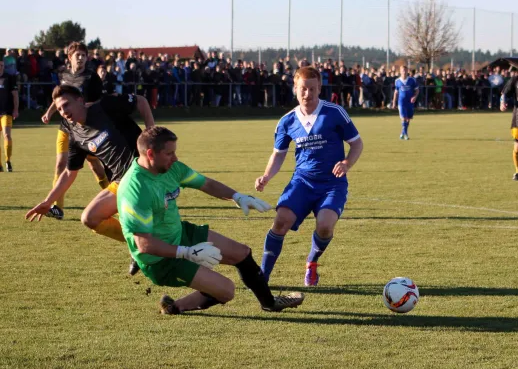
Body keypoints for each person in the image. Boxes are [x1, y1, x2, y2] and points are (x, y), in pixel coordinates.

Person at [117, 126, 305, 314]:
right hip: (160, 260)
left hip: (181, 233)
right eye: (169, 153)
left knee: (242, 253)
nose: (175, 158)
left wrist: (238, 197)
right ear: (150, 154)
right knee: (227, 291)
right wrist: (187, 252)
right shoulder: (136, 190)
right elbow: (144, 245)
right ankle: (176, 307)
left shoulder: (172, 169)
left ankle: (270, 303)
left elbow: (206, 183)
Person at [255, 66, 364, 286]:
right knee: (281, 221)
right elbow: (278, 154)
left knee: (324, 226)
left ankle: (312, 263)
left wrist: (346, 163)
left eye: (312, 89)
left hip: (332, 184)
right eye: (303, 89)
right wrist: (266, 176)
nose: (308, 94)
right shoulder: (287, 121)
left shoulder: (334, 112)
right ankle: (262, 276)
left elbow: (357, 144)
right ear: (295, 88)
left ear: (319, 88)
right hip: (302, 182)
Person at [26, 85, 155, 249]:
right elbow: (69, 173)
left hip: (143, 171)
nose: (63, 111)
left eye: (66, 104)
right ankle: (138, 243)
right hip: (120, 182)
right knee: (90, 217)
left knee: (147, 222)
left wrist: (151, 133)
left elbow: (141, 101)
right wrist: (48, 201)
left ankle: (153, 244)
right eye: (59, 109)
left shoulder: (105, 106)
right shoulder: (76, 137)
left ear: (80, 100)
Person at [41, 42, 107, 218]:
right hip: (65, 127)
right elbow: (58, 99)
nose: (81, 58)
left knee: (96, 167)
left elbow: (100, 102)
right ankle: (58, 208)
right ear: (69, 58)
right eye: (77, 55)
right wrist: (49, 112)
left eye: (84, 55)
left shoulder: (92, 78)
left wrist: (84, 107)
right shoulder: (63, 74)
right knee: (60, 165)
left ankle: (117, 197)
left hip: (85, 129)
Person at [0, 59, 19, 172]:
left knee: (6, 135)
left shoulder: (9, 78)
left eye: (2, 65)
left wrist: (15, 109)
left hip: (6, 112)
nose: (1, 67)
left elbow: (15, 95)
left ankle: (8, 161)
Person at [392, 65, 419, 140]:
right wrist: (394, 102)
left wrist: (415, 97)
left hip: (409, 102)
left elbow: (417, 90)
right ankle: (406, 134)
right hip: (401, 102)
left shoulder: (412, 80)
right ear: (400, 71)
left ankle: (403, 133)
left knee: (408, 118)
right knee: (403, 117)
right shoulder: (397, 81)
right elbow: (396, 92)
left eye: (405, 70)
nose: (404, 72)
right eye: (403, 70)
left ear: (407, 71)